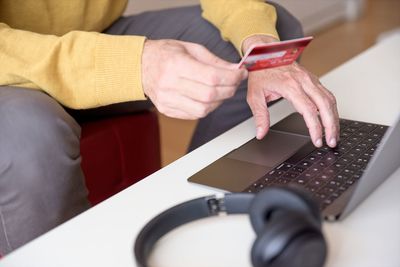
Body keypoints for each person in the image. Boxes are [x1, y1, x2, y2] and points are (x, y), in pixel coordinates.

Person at [0, 0, 339, 255]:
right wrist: (136, 64)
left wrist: (264, 51)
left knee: (271, 33)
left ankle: (194, 222)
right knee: (31, 138)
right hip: (7, 67)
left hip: (87, 37)